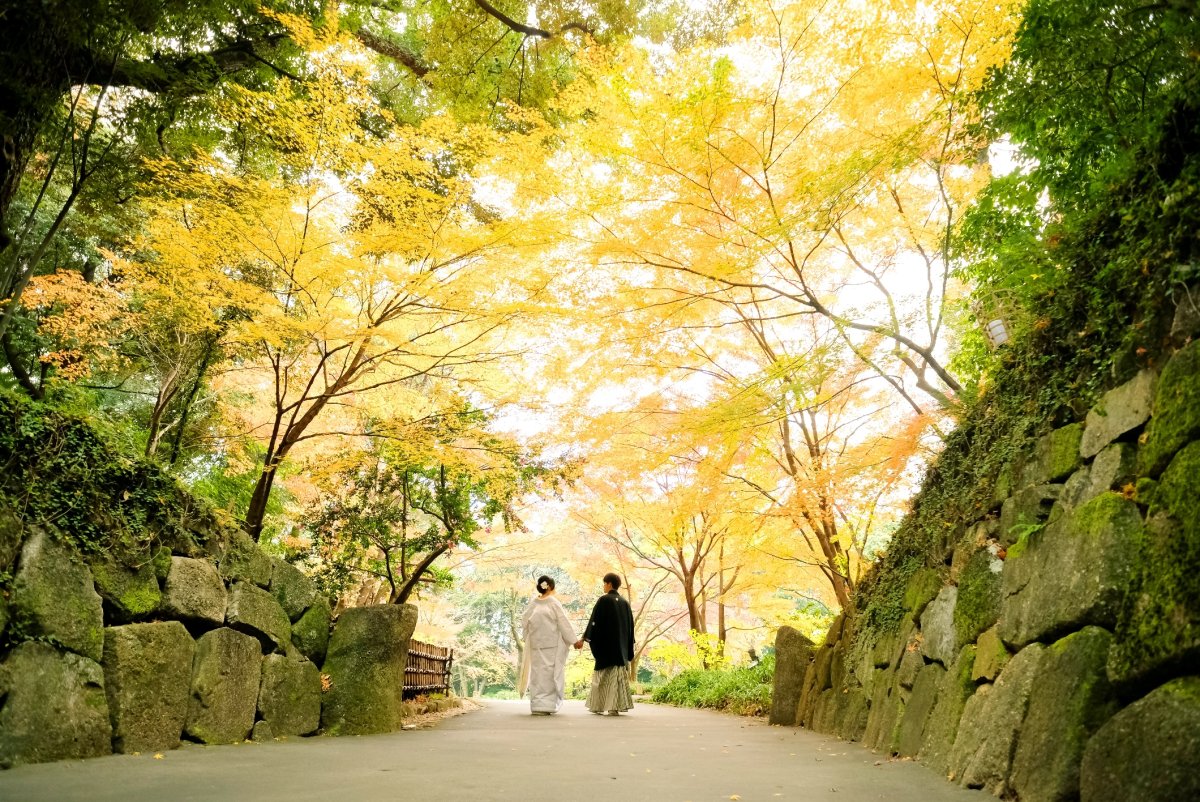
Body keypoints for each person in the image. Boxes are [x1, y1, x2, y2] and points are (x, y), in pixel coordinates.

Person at [574, 571, 635, 716]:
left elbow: (594, 623)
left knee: (602, 677)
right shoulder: (625, 604)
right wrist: (627, 648)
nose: (603, 586)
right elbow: (630, 628)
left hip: (605, 647)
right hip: (620, 649)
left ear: (609, 584)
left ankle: (598, 705)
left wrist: (584, 638)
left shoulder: (603, 600)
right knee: (616, 679)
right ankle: (614, 706)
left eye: (604, 583)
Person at [518, 575, 577, 715]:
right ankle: (547, 706)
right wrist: (574, 641)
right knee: (549, 674)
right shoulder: (553, 603)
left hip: (536, 645)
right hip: (551, 645)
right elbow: (563, 623)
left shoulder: (534, 603)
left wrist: (528, 638)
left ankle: (537, 705)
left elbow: (525, 622)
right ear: (550, 586)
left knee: (537, 674)